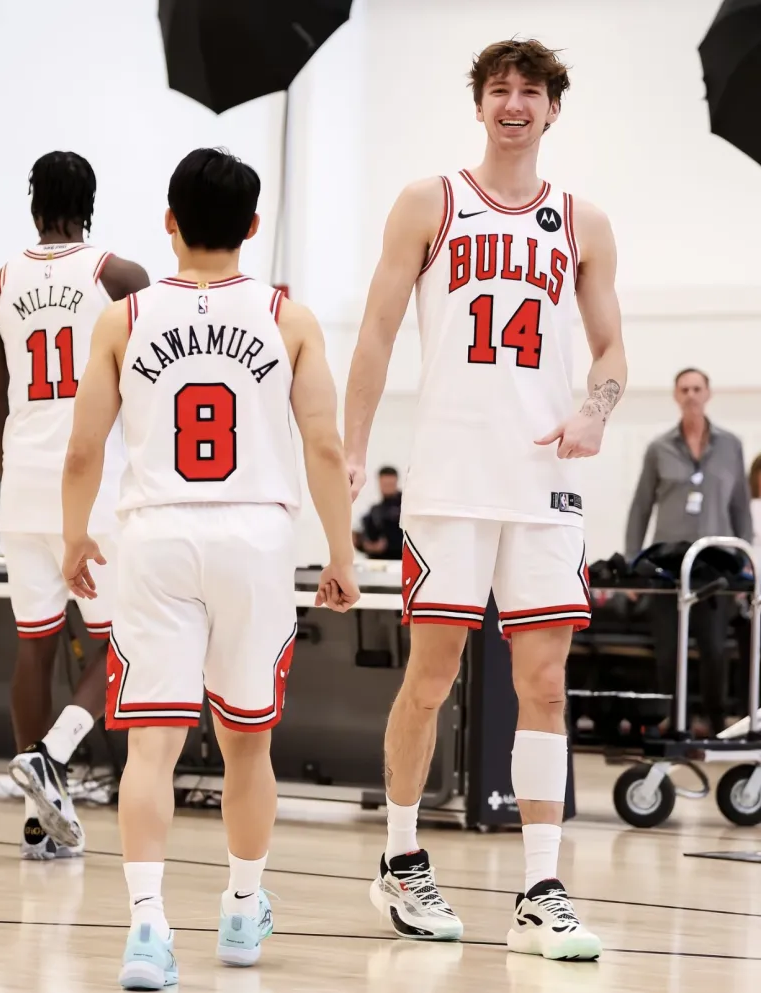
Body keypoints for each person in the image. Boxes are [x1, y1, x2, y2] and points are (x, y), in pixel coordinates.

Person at [344, 40, 626, 961]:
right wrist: (353, 448)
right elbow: (377, 329)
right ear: (479, 105)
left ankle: (541, 889)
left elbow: (612, 349)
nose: (513, 103)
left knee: (544, 683)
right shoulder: (430, 201)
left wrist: (595, 409)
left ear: (552, 109)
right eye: (499, 89)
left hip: (544, 485)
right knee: (431, 678)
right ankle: (400, 858)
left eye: (529, 91)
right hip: (453, 479)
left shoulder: (583, 222)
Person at [60, 148, 359, 989]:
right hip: (254, 538)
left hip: (156, 534)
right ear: (253, 226)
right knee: (247, 743)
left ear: (169, 221)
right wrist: (340, 553)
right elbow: (325, 445)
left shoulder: (123, 318)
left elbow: (83, 448)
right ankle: (240, 906)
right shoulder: (290, 319)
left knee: (151, 746)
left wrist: (74, 535)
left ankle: (147, 928)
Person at [0, 151, 149, 859]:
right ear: (91, 204)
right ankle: (54, 752)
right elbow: (150, 385)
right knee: (125, 641)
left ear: (33, 203)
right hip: (97, 484)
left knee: (34, 643)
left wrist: (12, 468)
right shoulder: (120, 277)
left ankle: (37, 821)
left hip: (23, 486)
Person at [625, 368, 753, 737]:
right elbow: (640, 508)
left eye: (697, 388)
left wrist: (746, 562)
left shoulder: (731, 446)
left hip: (715, 567)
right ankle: (674, 722)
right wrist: (633, 564)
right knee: (669, 651)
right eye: (684, 389)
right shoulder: (659, 448)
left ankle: (715, 723)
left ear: (708, 393)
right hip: (669, 566)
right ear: (675, 395)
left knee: (714, 649)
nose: (691, 395)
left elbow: (741, 508)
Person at [359, 466, 403, 559]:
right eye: (384, 484)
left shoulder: (404, 507)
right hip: (379, 560)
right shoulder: (375, 510)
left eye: (390, 484)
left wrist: (386, 545)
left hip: (398, 560)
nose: (387, 488)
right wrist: (366, 544)